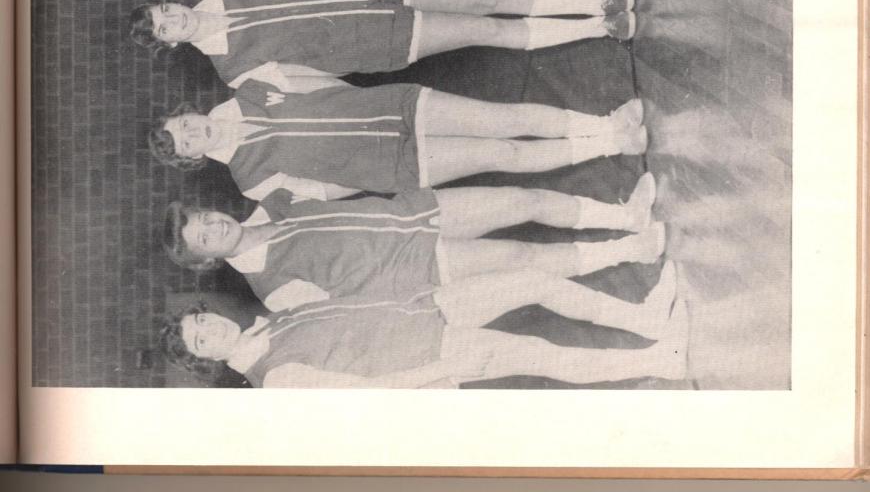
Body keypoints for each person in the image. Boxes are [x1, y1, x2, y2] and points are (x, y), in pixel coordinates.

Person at [129, 0, 639, 88]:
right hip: (378, 41)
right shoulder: (232, 70)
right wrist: (349, 49)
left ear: (169, 1)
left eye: (165, 11)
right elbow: (312, 79)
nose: (175, 19)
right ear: (170, 44)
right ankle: (599, 28)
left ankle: (597, 2)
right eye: (165, 28)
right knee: (487, 31)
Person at [162, 182, 667, 308]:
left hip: (414, 212)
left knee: (522, 200)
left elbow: (350, 177)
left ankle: (625, 216)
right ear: (206, 260)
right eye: (203, 238)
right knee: (523, 256)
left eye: (204, 218)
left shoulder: (274, 200)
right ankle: (630, 250)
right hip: (417, 262)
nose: (214, 227)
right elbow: (355, 306)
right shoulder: (271, 288)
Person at [148, 77, 649, 199]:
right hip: (395, 165)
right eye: (187, 142)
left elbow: (318, 81)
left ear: (189, 114)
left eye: (185, 125)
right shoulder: (250, 179)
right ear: (192, 158)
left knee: (502, 118)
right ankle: (611, 144)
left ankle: (607, 122)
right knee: (504, 152)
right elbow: (321, 192)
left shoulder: (249, 90)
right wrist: (369, 172)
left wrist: (362, 105)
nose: (193, 132)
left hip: (394, 106)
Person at [159, 290, 689, 388]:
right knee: (543, 356)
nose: (212, 329)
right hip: (431, 356)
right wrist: (444, 371)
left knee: (532, 288)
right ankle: (658, 360)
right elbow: (370, 393)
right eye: (202, 342)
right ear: (209, 360)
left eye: (202, 321)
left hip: (426, 317)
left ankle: (645, 322)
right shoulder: (275, 379)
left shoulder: (267, 326)